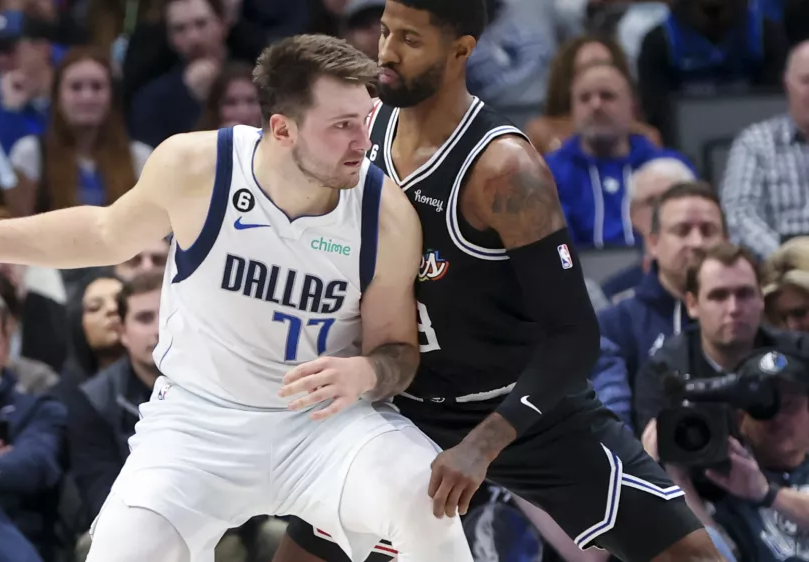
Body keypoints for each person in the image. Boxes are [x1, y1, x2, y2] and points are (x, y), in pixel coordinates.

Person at [0, 34, 472, 561]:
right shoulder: (200, 166)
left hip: (320, 428)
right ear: (283, 129)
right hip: (198, 423)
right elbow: (104, 233)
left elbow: (398, 351)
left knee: (427, 500)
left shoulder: (384, 213)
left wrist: (369, 373)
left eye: (365, 118)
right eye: (341, 126)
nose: (363, 141)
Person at [275, 1, 726, 561]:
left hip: (520, 408)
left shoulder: (505, 170)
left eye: (410, 41)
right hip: (402, 402)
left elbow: (575, 336)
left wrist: (484, 443)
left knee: (692, 556)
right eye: (387, 32)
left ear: (461, 50)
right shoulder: (362, 133)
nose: (386, 52)